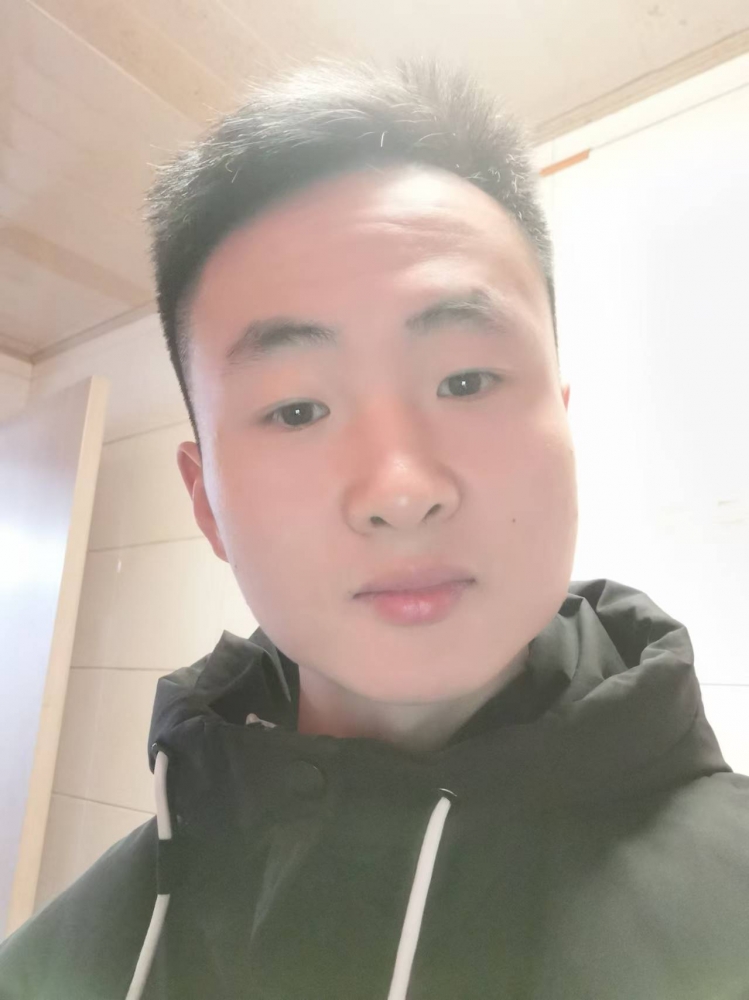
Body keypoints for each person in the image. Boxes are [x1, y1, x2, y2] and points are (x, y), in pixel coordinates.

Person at [1, 58, 748, 1000]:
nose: (400, 491)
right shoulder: (58, 966)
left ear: (564, 427)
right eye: (297, 411)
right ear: (206, 502)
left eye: (465, 381)